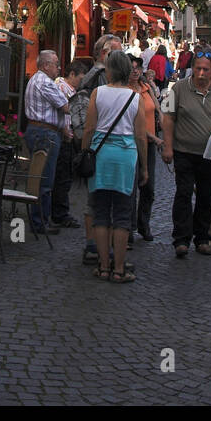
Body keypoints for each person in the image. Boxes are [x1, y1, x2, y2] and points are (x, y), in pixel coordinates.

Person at [84, 51, 148, 282]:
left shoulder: (97, 93)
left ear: (109, 70)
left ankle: (102, 267)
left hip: (101, 156)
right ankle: (119, 269)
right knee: (122, 214)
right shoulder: (135, 97)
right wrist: (145, 167)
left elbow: (90, 129)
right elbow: (141, 136)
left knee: (101, 212)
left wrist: (85, 152)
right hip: (125, 158)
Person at [162, 51, 211, 258]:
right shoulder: (179, 88)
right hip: (184, 150)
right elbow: (168, 117)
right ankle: (181, 239)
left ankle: (202, 237)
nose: (201, 73)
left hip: (210, 154)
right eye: (198, 68)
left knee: (206, 196)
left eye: (205, 69)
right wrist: (167, 146)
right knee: (183, 193)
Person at [69, 34, 123, 265]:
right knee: (102, 202)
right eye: (117, 53)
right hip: (102, 144)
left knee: (97, 199)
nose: (122, 58)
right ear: (104, 53)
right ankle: (98, 247)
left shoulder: (95, 76)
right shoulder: (100, 77)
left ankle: (96, 245)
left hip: (96, 145)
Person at [22, 49, 69, 234]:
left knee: (41, 177)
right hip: (45, 133)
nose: (58, 67)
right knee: (44, 179)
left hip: (42, 131)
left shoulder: (39, 80)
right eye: (55, 64)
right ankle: (40, 221)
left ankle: (40, 219)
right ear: (45, 65)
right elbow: (64, 105)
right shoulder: (43, 81)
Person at [129, 55, 162, 241]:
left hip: (149, 144)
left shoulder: (146, 88)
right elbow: (135, 126)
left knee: (149, 187)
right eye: (132, 68)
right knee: (132, 186)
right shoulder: (125, 91)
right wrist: (156, 138)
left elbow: (157, 108)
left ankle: (144, 223)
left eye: (137, 68)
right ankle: (130, 227)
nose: (135, 71)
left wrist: (162, 120)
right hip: (133, 142)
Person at [51, 59, 88, 228]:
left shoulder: (66, 88)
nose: (81, 82)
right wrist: (67, 132)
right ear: (72, 74)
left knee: (63, 176)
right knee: (62, 177)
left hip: (65, 136)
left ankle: (60, 212)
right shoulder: (63, 89)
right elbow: (64, 114)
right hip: (63, 137)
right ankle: (60, 214)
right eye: (80, 78)